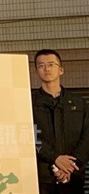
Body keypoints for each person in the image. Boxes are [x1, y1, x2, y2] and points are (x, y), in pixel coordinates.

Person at [32, 49, 89, 192]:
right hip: (42, 178)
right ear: (36, 72)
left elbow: (87, 137)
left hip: (74, 176)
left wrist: (70, 166)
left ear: (61, 70)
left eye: (51, 64)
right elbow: (29, 136)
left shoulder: (79, 103)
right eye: (41, 65)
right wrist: (55, 158)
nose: (46, 69)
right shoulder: (29, 103)